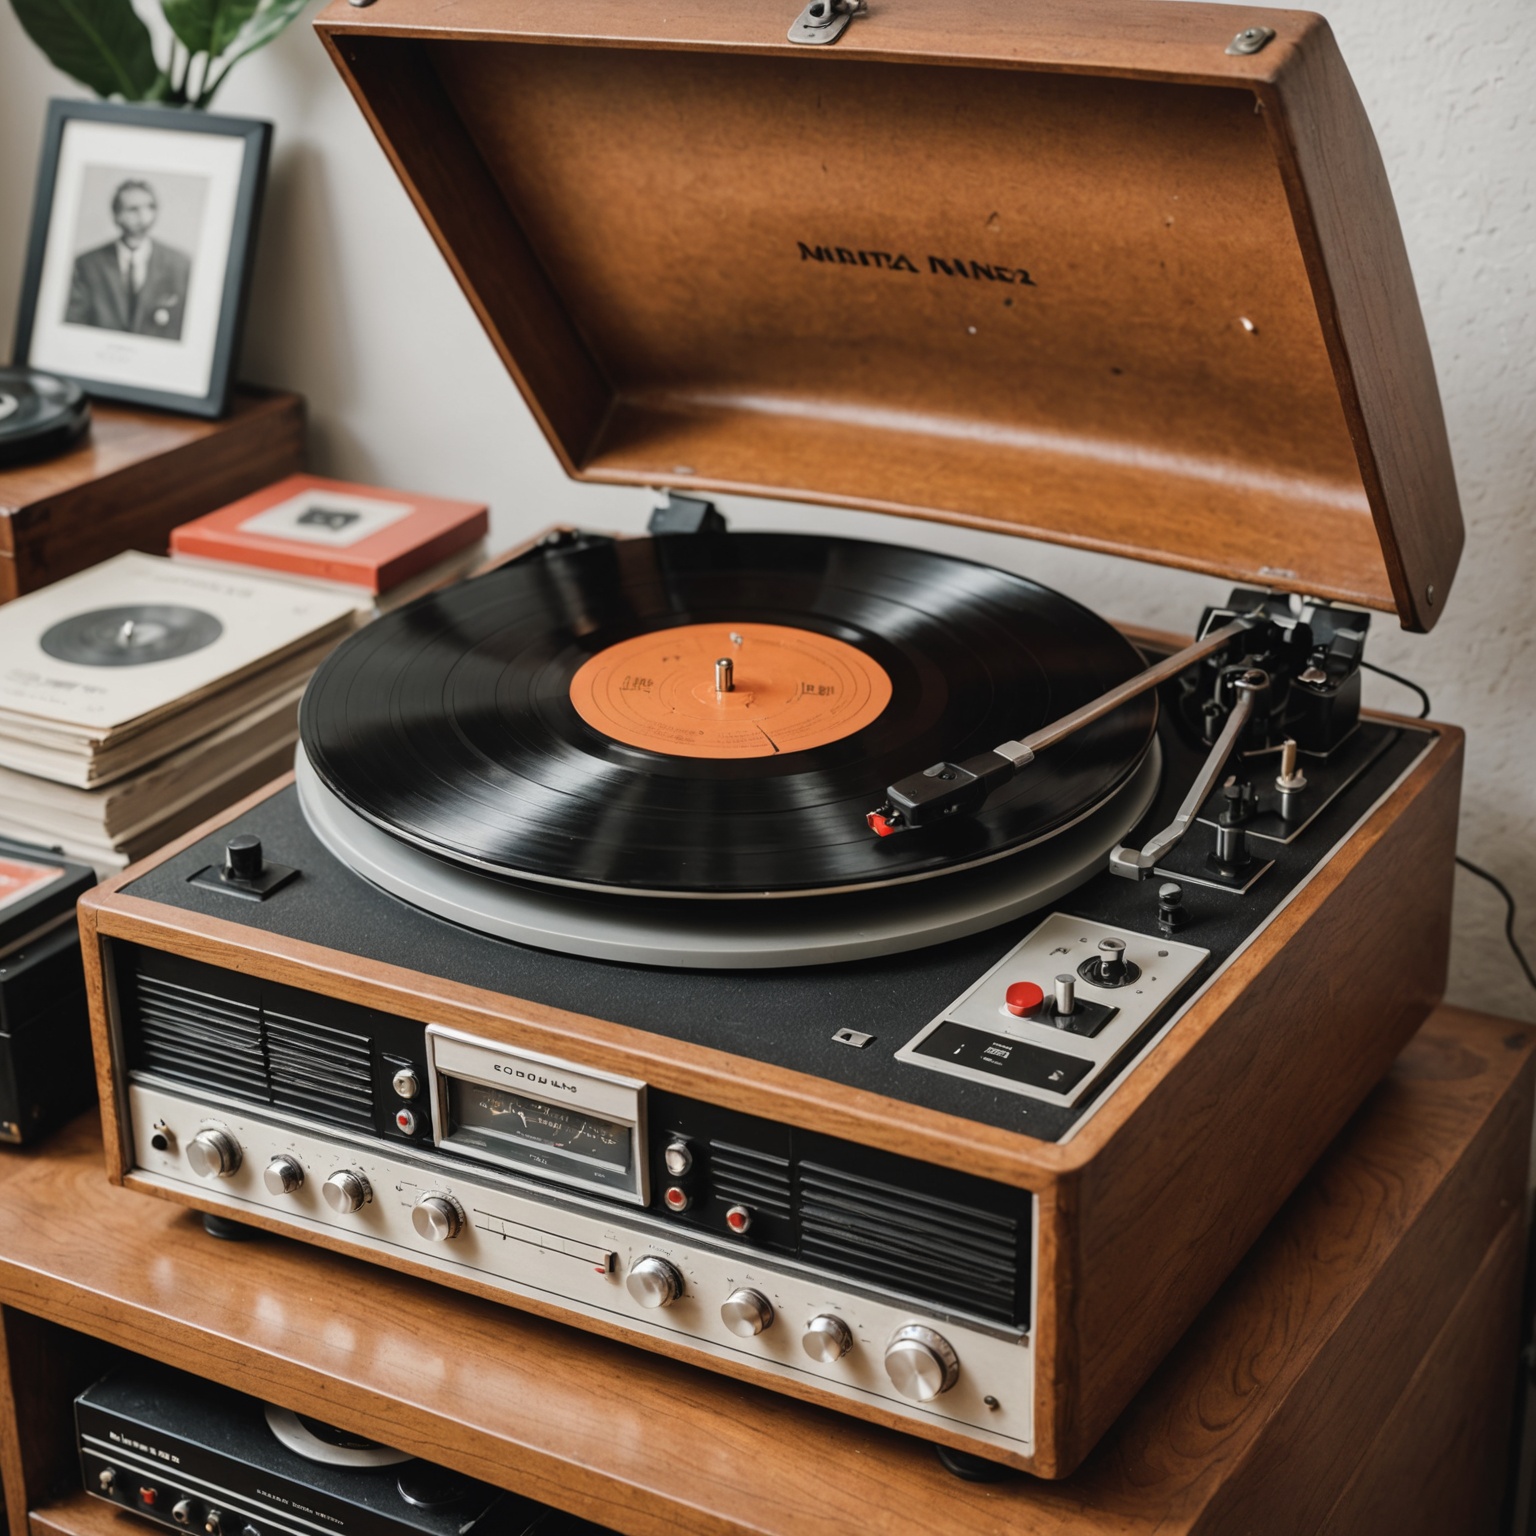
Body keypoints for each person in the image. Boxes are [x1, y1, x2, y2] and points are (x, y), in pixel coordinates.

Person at [65, 179, 191, 341]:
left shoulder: (179, 264)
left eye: (150, 207)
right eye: (133, 209)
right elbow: (74, 322)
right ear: (117, 216)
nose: (143, 216)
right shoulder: (87, 264)